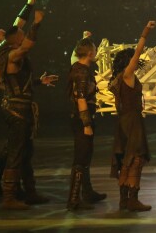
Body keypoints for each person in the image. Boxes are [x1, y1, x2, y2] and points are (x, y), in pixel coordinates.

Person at [0, 9, 58, 210]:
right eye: (20, 36)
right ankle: (9, 197)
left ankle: (30, 192)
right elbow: (27, 45)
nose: (23, 37)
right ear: (13, 41)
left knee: (26, 151)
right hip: (17, 111)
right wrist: (36, 24)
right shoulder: (11, 55)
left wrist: (38, 81)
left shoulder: (3, 54)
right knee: (17, 152)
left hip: (19, 108)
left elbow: (18, 80)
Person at [0, 0, 37, 196]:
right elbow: (18, 26)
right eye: (2, 34)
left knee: (12, 147)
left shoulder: (1, 53)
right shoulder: (2, 54)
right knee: (16, 149)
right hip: (15, 106)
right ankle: (10, 191)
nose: (7, 34)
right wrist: (30, 8)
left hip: (13, 103)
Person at [109, 21, 156, 212]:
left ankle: (124, 200)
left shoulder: (118, 78)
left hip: (124, 121)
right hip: (132, 121)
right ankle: (132, 200)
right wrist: (145, 32)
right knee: (136, 159)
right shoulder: (127, 76)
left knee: (125, 160)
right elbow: (137, 53)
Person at [67, 37, 107, 210]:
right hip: (81, 119)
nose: (97, 51)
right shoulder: (81, 71)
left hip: (82, 117)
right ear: (90, 53)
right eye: (95, 49)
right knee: (81, 157)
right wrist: (86, 124)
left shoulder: (80, 68)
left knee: (85, 156)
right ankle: (74, 199)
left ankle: (87, 193)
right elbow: (81, 99)